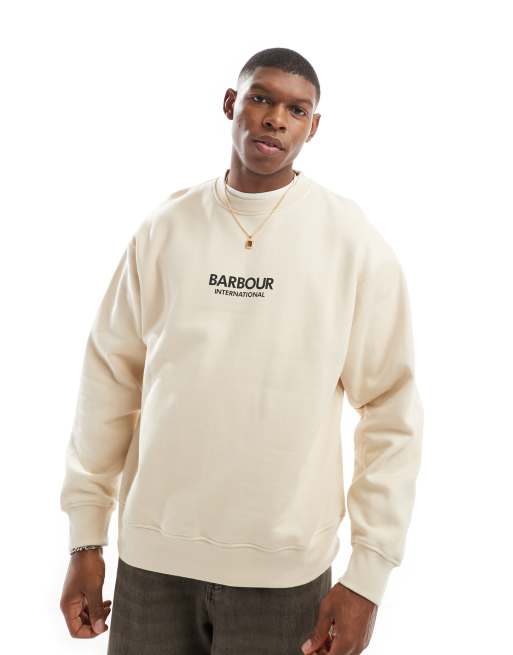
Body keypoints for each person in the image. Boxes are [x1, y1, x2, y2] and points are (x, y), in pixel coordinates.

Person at [59, 47, 423, 654]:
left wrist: (368, 576)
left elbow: (390, 408)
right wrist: (85, 539)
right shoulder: (166, 228)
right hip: (152, 565)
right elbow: (109, 381)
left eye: (296, 110)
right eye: (261, 98)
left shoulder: (350, 242)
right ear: (232, 103)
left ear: (313, 127)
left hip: (283, 576)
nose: (276, 118)